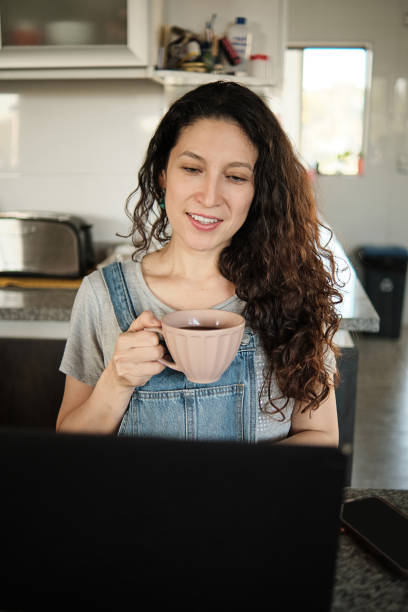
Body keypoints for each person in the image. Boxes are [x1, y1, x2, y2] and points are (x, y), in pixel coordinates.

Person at [57, 81, 343, 445]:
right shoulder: (101, 296)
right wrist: (117, 380)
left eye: (236, 177)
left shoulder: (291, 292)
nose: (209, 196)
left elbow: (319, 434)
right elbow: (69, 446)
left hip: (252, 504)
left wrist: (231, 486)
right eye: (192, 169)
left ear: (259, 193)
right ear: (162, 174)